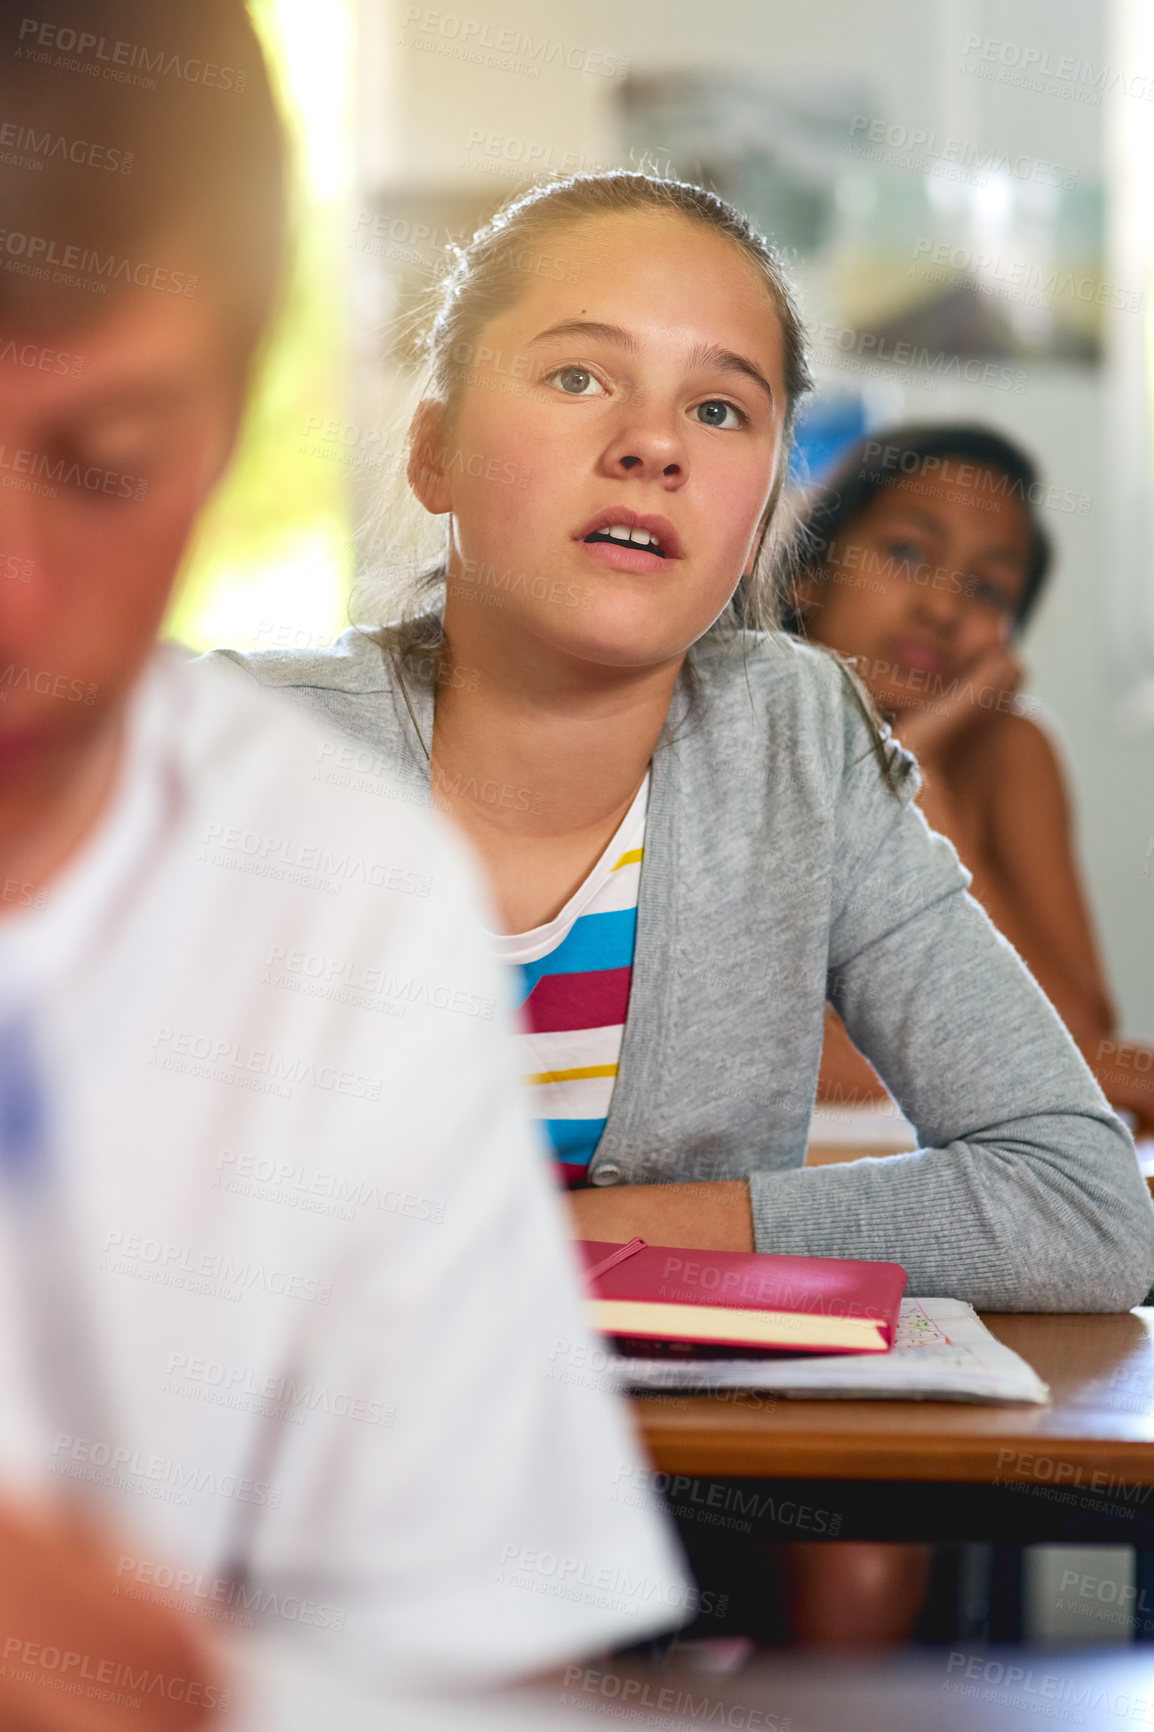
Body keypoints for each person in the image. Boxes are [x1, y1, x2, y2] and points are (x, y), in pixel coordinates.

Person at [206, 170, 1154, 1645]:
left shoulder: (793, 742)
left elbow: (1084, 1207)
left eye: (721, 411)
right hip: (263, 1528)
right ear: (437, 451)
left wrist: (603, 1236)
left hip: (643, 1519)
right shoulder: (241, 759)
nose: (649, 443)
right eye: (578, 375)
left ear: (761, 508)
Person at [0, 7, 692, 1723]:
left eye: (101, 465)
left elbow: (484, 1665)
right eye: (577, 381)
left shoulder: (335, 907)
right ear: (436, 460)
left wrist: (183, 1691)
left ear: (239, 418)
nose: (8, 595)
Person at [783, 424, 1154, 1136]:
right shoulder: (728, 726)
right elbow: (751, 1054)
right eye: (906, 552)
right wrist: (1057, 1064)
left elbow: (1078, 1030)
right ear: (810, 570)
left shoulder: (1006, 747)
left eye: (987, 587)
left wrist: (917, 783)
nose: (943, 607)